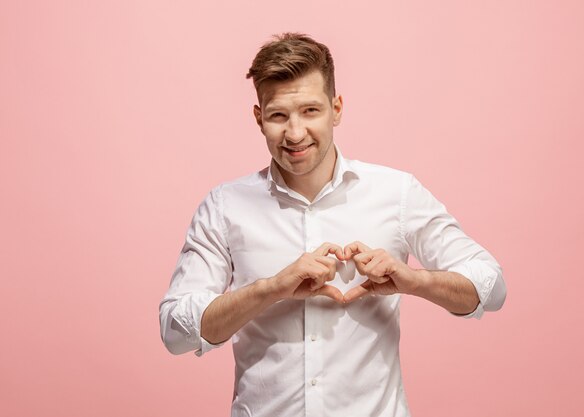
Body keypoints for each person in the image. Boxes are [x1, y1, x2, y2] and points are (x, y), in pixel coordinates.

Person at [159, 32, 506, 417]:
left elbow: (490, 287)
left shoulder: (397, 193)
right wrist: (270, 288)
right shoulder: (224, 207)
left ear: (336, 108)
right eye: (278, 115)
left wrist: (413, 280)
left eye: (310, 111)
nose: (294, 133)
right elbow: (176, 331)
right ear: (259, 118)